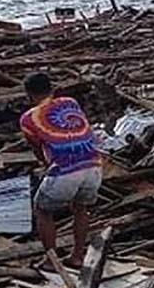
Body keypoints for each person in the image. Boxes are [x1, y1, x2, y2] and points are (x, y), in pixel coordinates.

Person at [20, 73, 101, 268]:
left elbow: (39, 150)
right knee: (81, 209)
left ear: (29, 95)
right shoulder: (70, 102)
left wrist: (47, 167)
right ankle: (77, 255)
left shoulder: (28, 119)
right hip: (94, 164)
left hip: (65, 169)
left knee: (42, 210)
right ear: (52, 89)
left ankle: (50, 260)